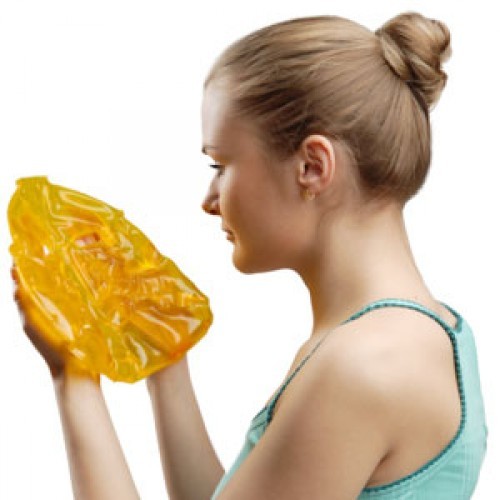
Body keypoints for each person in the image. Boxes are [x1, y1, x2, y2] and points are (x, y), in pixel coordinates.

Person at [13, 11, 488, 500]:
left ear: (312, 166)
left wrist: (74, 375)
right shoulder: (433, 333)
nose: (209, 199)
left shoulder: (361, 368)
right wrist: (165, 360)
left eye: (220, 165)